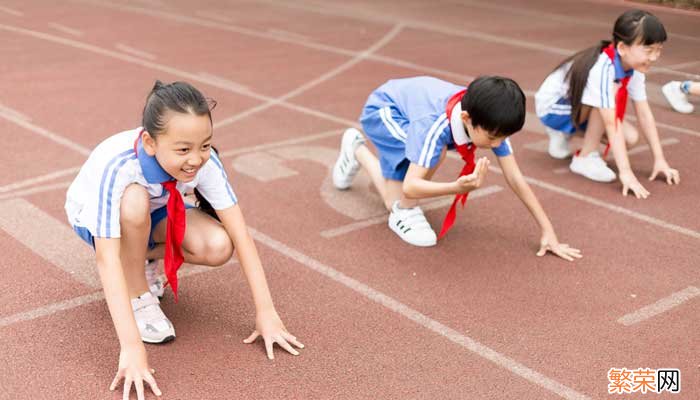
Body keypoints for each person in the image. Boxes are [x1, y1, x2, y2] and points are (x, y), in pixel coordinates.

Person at [65, 81, 303, 400]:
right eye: (183, 150)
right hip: (100, 218)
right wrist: (132, 348)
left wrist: (266, 312)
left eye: (205, 145)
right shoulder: (120, 166)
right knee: (134, 203)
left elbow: (240, 233)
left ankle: (146, 260)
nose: (196, 159)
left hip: (159, 209)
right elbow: (107, 260)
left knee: (218, 245)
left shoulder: (204, 162)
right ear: (150, 143)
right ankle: (138, 295)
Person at [332, 75, 581, 262]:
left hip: (411, 109)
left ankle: (355, 148)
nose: (496, 144)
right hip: (385, 112)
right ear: (467, 120)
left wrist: (547, 229)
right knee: (417, 174)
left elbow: (515, 177)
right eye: (493, 137)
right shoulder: (435, 126)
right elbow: (411, 185)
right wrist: (455, 187)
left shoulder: (491, 120)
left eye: (502, 137)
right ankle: (404, 211)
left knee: (394, 194)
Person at [535, 9, 680, 198]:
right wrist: (626, 173)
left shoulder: (635, 67)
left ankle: (565, 133)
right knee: (605, 102)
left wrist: (660, 160)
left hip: (577, 106)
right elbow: (611, 123)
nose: (654, 57)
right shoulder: (603, 70)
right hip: (552, 107)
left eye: (658, 50)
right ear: (622, 48)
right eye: (648, 50)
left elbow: (644, 114)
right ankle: (583, 157)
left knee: (630, 138)